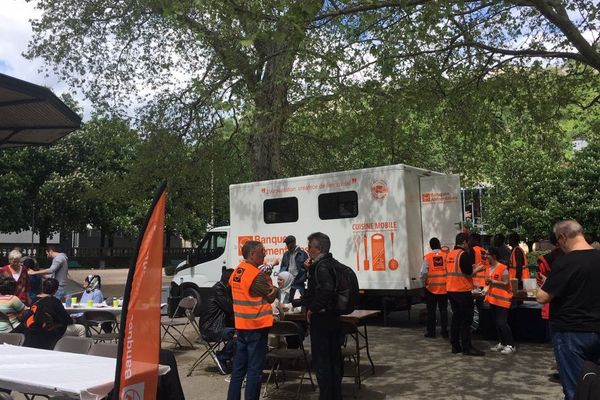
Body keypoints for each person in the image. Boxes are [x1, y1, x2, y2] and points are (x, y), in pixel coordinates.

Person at [537, 220, 600, 400]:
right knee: (595, 386)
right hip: (597, 328)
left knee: (576, 389)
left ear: (563, 237)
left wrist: (544, 283)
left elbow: (543, 297)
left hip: (571, 333)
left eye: (558, 241)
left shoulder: (565, 263)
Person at [227, 241, 278, 400]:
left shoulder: (237, 271)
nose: (264, 254)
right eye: (262, 252)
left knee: (238, 371)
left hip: (241, 326)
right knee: (254, 371)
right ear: (252, 254)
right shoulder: (255, 275)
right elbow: (270, 297)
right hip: (256, 327)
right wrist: (275, 288)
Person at [302, 232, 342, 400]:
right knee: (333, 359)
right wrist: (309, 269)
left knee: (323, 361)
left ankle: (326, 396)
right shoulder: (333, 263)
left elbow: (326, 289)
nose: (307, 249)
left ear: (318, 249)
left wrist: (313, 309)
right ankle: (334, 395)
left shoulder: (322, 266)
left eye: (310, 247)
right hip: (334, 317)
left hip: (322, 318)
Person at [446, 232, 486, 356]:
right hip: (462, 291)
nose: (468, 245)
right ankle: (467, 347)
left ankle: (455, 346)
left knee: (456, 319)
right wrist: (478, 269)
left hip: (451, 290)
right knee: (466, 320)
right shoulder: (463, 255)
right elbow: (468, 273)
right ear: (464, 242)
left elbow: (458, 270)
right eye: (467, 242)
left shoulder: (449, 255)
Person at [24, 278, 86, 350]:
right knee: (81, 328)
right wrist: (73, 320)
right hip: (52, 330)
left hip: (35, 330)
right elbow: (66, 319)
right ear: (55, 290)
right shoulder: (55, 301)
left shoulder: (35, 300)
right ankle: (81, 349)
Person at [200, 268, 235, 375]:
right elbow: (230, 308)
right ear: (229, 281)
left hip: (217, 325)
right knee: (239, 337)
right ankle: (222, 356)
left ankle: (231, 358)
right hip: (212, 328)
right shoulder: (219, 290)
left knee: (243, 333)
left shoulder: (223, 289)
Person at [484, 247, 516, 354]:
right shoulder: (488, 268)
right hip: (493, 299)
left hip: (502, 300)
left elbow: (506, 283)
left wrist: (492, 281)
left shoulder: (503, 268)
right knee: (497, 323)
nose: (486, 256)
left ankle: (510, 345)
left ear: (494, 256)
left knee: (502, 323)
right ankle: (502, 343)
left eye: (488, 254)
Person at [420, 237, 448, 339]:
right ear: (439, 244)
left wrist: (424, 283)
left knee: (431, 311)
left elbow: (423, 272)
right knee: (443, 310)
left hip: (431, 288)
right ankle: (444, 332)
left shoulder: (427, 257)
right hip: (444, 288)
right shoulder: (445, 256)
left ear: (431, 246)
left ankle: (431, 332)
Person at [537, 232, 564, 321]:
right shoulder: (578, 258)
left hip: (551, 306)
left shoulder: (545, 260)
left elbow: (540, 284)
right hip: (575, 310)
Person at [279, 235, 309, 300]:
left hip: (299, 280)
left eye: (289, 243)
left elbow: (307, 268)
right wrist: (281, 277)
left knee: (304, 299)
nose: (288, 245)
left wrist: (305, 277)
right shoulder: (286, 254)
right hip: (289, 280)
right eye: (287, 243)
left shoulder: (303, 254)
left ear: (294, 242)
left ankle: (304, 309)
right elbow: (283, 267)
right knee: (288, 300)